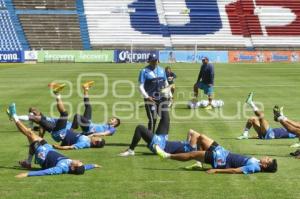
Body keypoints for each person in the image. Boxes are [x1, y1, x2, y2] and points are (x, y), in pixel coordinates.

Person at [6, 103, 100, 178]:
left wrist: (28, 174)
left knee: (30, 133)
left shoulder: (61, 168)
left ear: (73, 167)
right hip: (48, 148)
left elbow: (45, 172)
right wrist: (92, 165)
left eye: (79, 163)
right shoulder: (74, 166)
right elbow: (84, 167)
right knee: (30, 136)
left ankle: (14, 115)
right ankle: (28, 163)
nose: (80, 161)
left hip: (42, 154)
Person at [155, 131, 277, 174]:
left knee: (192, 154)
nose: (266, 157)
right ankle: (199, 162)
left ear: (265, 165)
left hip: (220, 160)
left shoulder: (254, 167)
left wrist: (216, 170)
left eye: (268, 160)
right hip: (224, 152)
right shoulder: (257, 163)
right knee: (200, 136)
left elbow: (235, 171)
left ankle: (167, 156)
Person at [28, 83, 106, 150]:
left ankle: (57, 94)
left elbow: (71, 147)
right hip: (60, 131)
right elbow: (88, 135)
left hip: (61, 133)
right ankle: (28, 118)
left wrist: (58, 147)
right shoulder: (88, 139)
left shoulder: (85, 143)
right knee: (38, 117)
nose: (96, 136)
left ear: (95, 142)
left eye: (97, 138)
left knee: (64, 114)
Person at [119, 108, 198, 158]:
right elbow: (190, 131)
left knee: (140, 128)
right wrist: (187, 141)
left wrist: (195, 139)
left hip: (160, 146)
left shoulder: (192, 148)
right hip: (163, 140)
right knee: (166, 118)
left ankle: (131, 150)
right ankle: (160, 97)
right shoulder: (190, 145)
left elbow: (194, 134)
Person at [138, 54, 170, 133]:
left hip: (162, 98)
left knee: (166, 118)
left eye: (156, 60)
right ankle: (150, 139)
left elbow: (166, 83)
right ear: (149, 61)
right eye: (152, 61)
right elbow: (140, 86)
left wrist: (169, 96)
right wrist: (147, 97)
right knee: (153, 119)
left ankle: (159, 136)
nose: (155, 62)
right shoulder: (144, 71)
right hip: (151, 99)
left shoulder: (162, 70)